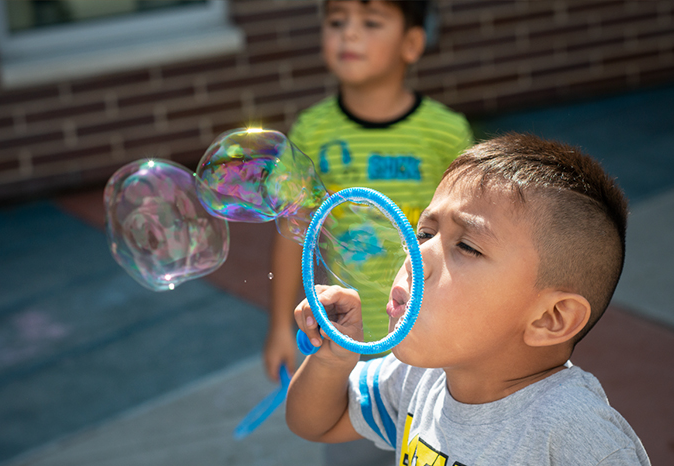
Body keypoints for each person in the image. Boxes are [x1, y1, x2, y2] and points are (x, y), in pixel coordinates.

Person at [286, 133, 651, 465]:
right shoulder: (419, 377)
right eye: (425, 232)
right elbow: (318, 423)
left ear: (550, 318)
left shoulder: (578, 436)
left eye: (466, 246)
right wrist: (332, 362)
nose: (417, 256)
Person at [264, 0, 473, 382]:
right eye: (337, 20)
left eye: (371, 22)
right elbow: (292, 230)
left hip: (427, 331)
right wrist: (280, 325)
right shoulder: (312, 130)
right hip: (344, 332)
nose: (350, 32)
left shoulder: (446, 131)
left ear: (411, 43)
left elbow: (464, 232)